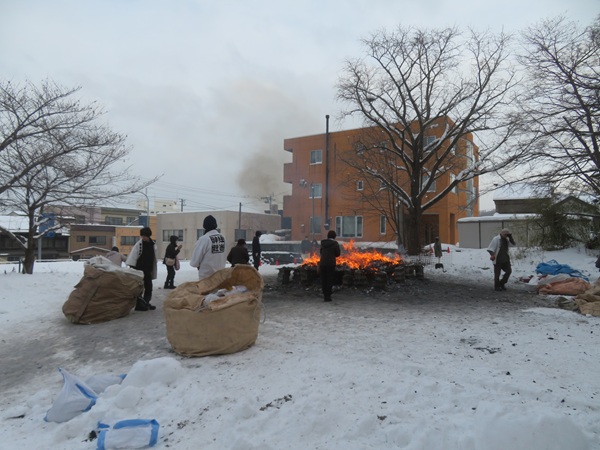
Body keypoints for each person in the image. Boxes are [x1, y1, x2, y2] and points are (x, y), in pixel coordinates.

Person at [126, 227, 158, 311]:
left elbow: (154, 258)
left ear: (148, 236)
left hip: (148, 270)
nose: (143, 238)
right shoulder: (139, 245)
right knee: (139, 288)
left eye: (144, 236)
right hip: (139, 270)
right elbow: (133, 256)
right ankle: (139, 304)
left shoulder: (153, 245)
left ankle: (146, 302)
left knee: (149, 287)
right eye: (142, 236)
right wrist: (132, 267)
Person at [190, 215, 226, 280]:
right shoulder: (223, 238)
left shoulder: (204, 239)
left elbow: (194, 262)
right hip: (220, 277)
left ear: (204, 226)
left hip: (207, 278)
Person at [319, 230, 341, 302]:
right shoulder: (335, 244)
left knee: (324, 280)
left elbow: (321, 252)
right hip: (330, 264)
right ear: (334, 236)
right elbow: (338, 254)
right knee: (329, 280)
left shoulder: (323, 243)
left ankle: (325, 295)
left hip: (322, 263)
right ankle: (328, 296)